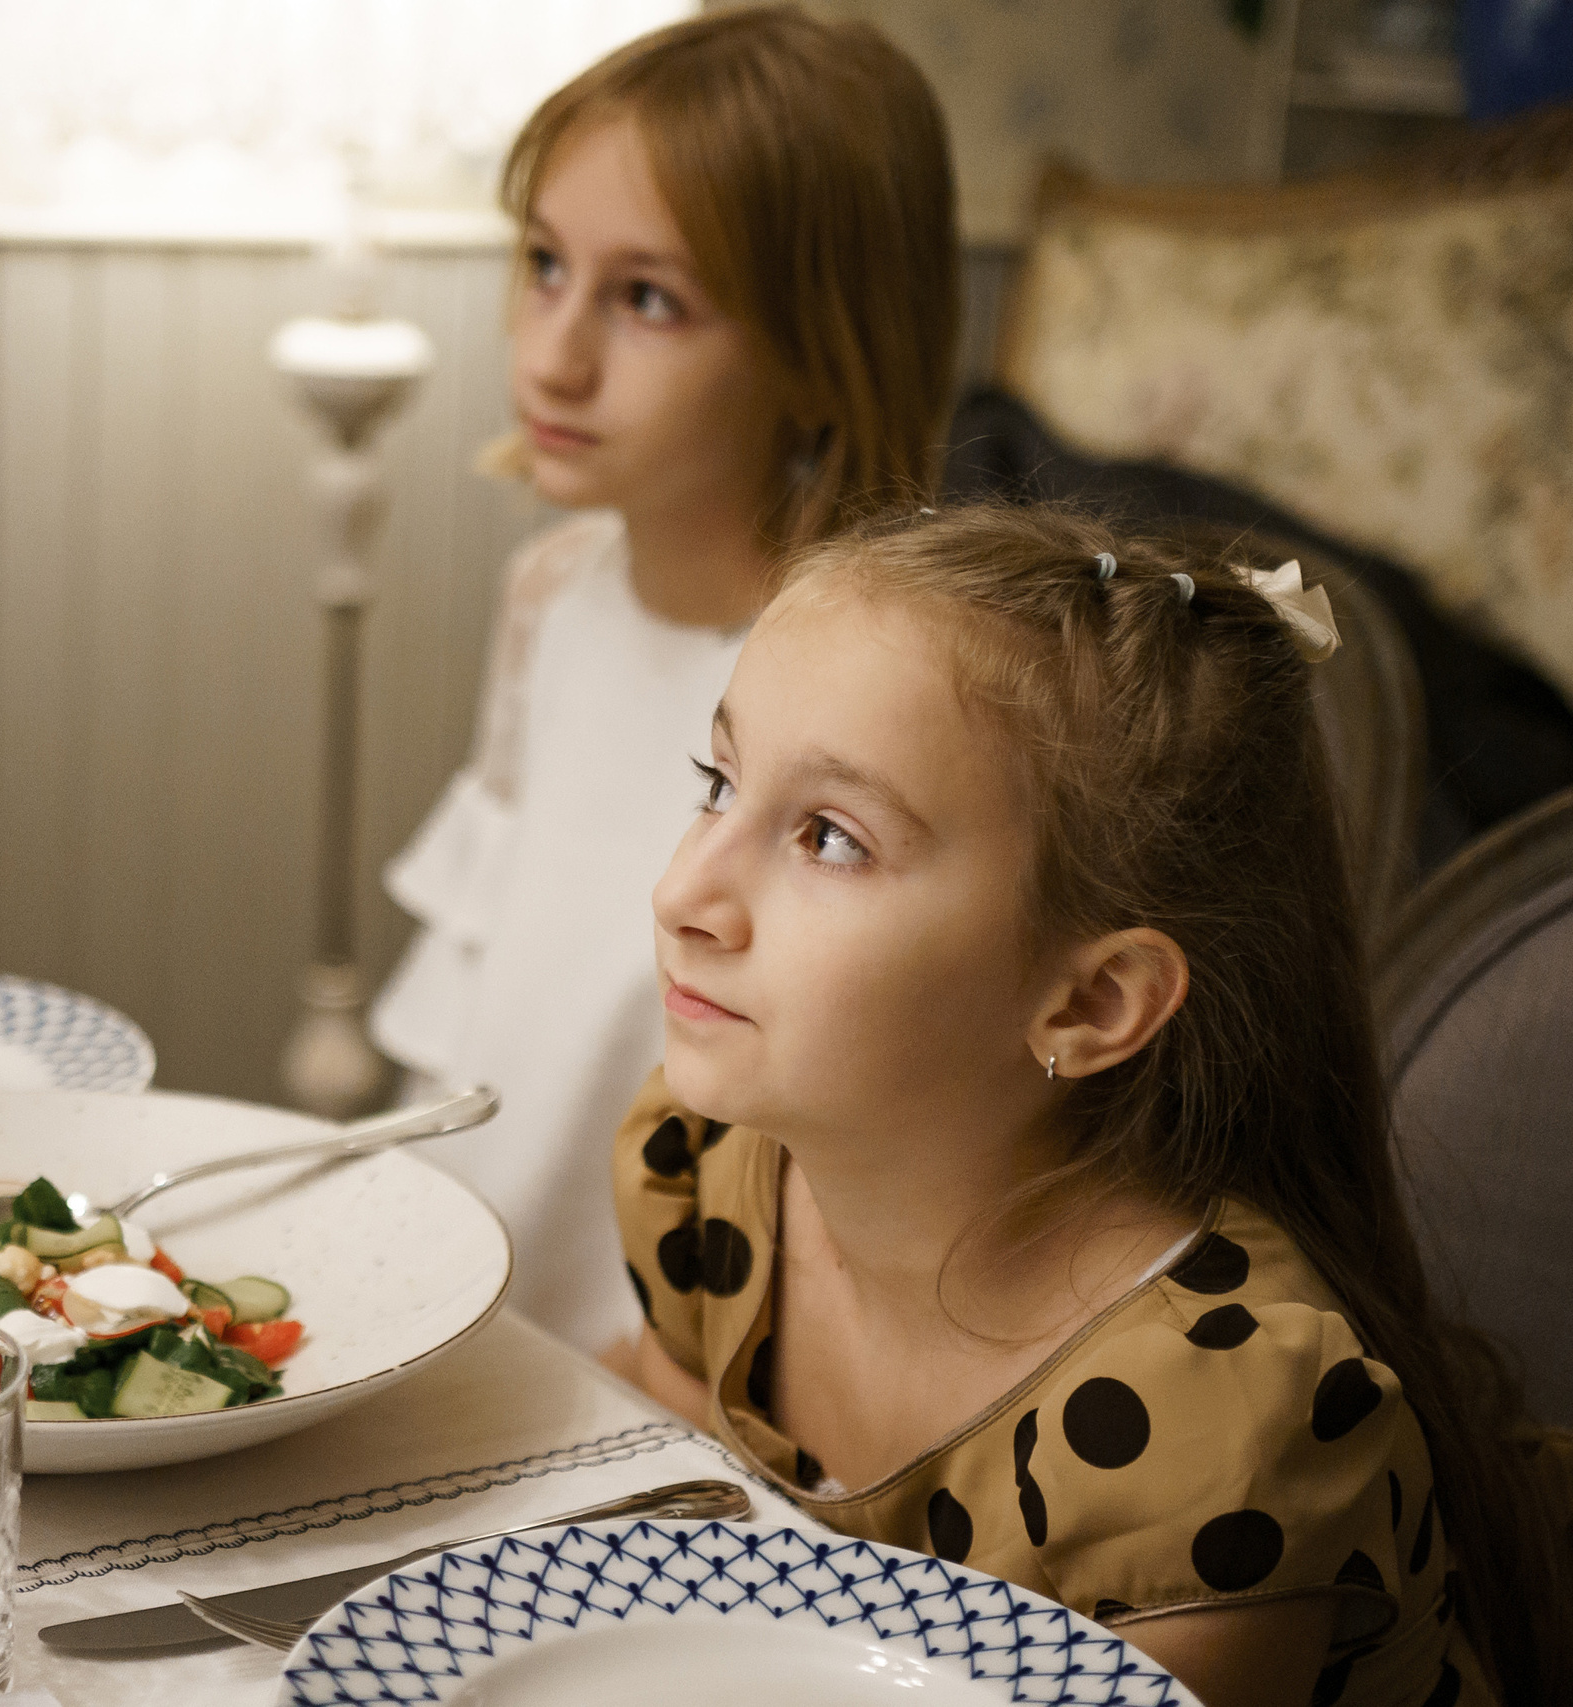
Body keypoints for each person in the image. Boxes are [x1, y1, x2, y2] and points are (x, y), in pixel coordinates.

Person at [613, 502, 1568, 1705]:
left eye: (831, 839)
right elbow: (659, 1551)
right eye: (717, 781)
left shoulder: (1207, 1420)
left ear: (1090, 1002)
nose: (683, 892)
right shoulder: (708, 1170)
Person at [369, 7, 958, 1352]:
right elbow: (481, 970)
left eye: (646, 300)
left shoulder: (874, 688)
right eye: (544, 265)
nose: (551, 356)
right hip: (457, 1288)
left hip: (674, 1345)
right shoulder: (550, 595)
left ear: (819, 348)